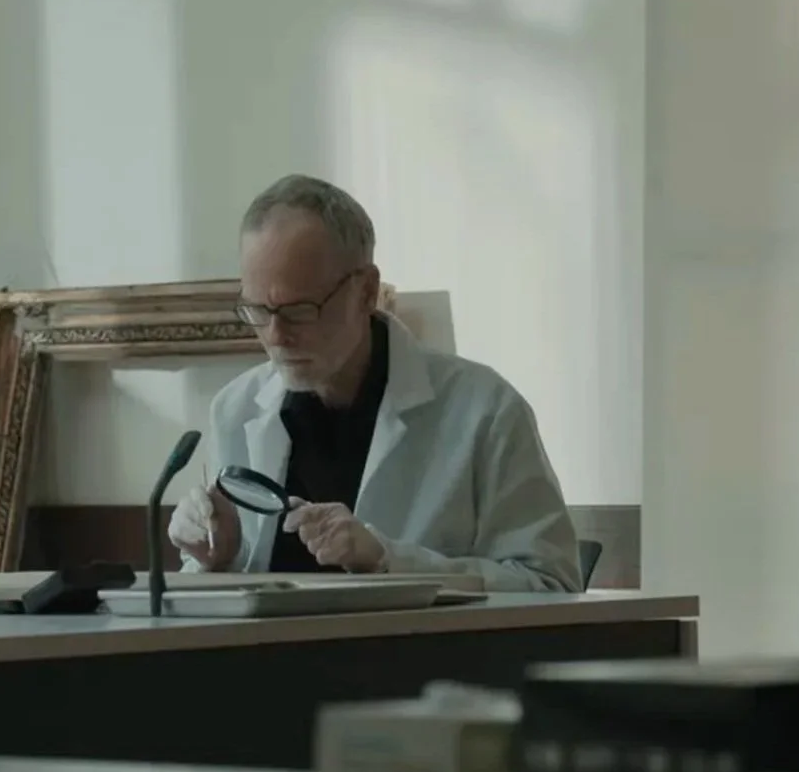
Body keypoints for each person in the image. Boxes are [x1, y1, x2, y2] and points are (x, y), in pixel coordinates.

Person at [167, 175, 584, 592]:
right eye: (258, 310)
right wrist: (216, 560)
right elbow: (235, 602)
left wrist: (389, 560)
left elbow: (553, 585)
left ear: (366, 291)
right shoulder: (234, 409)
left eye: (300, 310)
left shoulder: (486, 411)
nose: (275, 336)